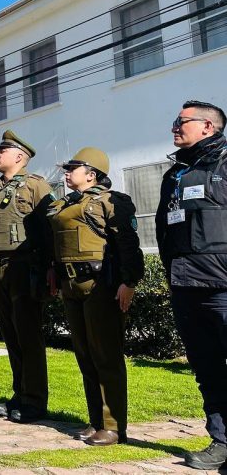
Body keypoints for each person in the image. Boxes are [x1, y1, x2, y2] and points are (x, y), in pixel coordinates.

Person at [46, 148, 144, 446]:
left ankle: (114, 427)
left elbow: (127, 242)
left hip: (100, 284)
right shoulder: (64, 204)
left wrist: (129, 282)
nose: (66, 172)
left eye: (73, 168)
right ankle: (96, 421)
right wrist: (53, 269)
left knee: (106, 356)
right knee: (86, 355)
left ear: (92, 174)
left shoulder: (109, 202)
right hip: (70, 285)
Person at [156, 100, 227, 470]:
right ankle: (221, 441)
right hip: (186, 286)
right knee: (208, 370)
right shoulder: (175, 174)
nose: (174, 127)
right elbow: (164, 230)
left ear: (208, 127)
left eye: (181, 121)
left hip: (223, 287)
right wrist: (171, 274)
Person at [0, 130, 55, 423]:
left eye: (3, 150)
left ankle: (35, 401)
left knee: (28, 334)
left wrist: (50, 267)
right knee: (10, 334)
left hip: (25, 267)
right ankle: (20, 394)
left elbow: (48, 230)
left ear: (20, 157)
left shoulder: (36, 186)